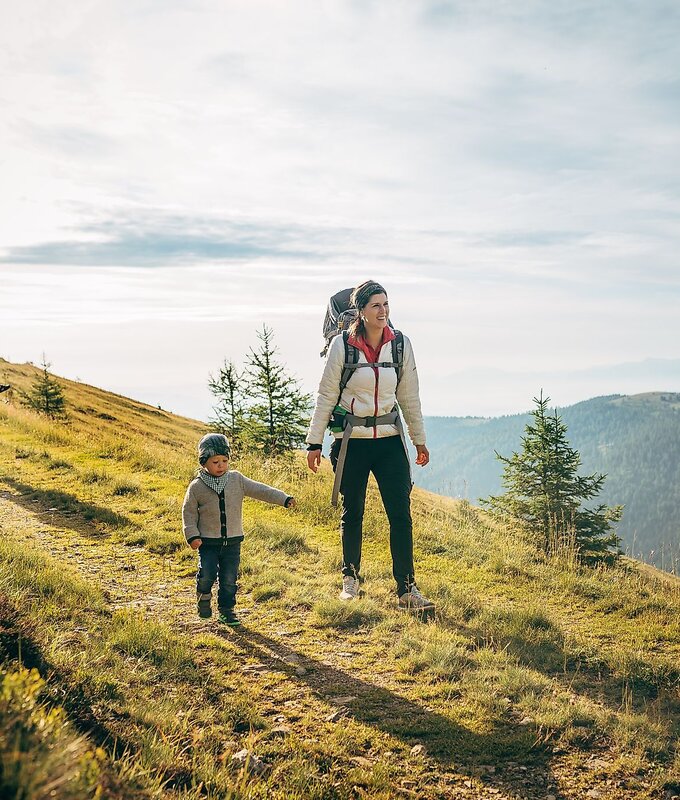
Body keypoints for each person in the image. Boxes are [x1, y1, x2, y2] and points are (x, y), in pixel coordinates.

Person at [306, 280, 433, 613]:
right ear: (360, 311)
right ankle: (350, 580)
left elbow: (409, 396)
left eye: (386, 305)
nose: (383, 311)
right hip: (353, 443)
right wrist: (314, 441)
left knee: (400, 515)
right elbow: (326, 395)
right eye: (376, 305)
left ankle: (407, 589)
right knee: (354, 512)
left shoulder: (401, 345)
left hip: (390, 441)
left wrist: (419, 440)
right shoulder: (342, 346)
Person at [182, 433, 295, 625]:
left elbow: (261, 490)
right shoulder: (197, 487)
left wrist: (283, 499)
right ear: (204, 463)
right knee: (207, 574)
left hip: (233, 543)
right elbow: (188, 513)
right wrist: (192, 535)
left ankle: (227, 611)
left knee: (228, 580)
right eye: (215, 461)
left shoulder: (237, 480)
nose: (221, 465)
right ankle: (204, 597)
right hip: (207, 543)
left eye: (224, 460)